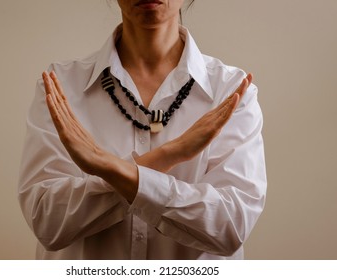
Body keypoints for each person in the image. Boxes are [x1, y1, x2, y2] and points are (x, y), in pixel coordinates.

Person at [18, 0, 267, 260]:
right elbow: (47, 222)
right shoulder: (62, 86)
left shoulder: (231, 91)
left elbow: (231, 228)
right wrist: (168, 155)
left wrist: (108, 167)